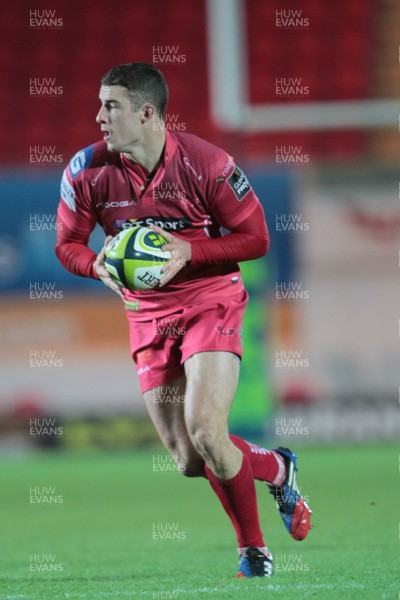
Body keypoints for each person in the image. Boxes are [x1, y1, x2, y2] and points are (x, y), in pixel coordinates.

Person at [55, 62, 312, 578]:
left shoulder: (207, 164)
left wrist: (187, 252)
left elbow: (257, 239)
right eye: (100, 104)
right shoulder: (86, 171)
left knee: (208, 432)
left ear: (147, 112)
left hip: (210, 298)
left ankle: (253, 552)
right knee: (190, 459)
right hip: (146, 315)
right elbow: (67, 246)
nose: (98, 117)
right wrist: (94, 263)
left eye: (112, 106)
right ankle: (278, 467)